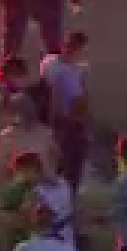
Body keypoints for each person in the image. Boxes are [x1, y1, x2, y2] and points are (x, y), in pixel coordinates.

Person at [38, 31, 90, 193]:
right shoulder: (68, 71)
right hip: (66, 121)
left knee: (57, 158)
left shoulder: (49, 62)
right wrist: (85, 123)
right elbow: (78, 102)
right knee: (68, 164)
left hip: (54, 119)